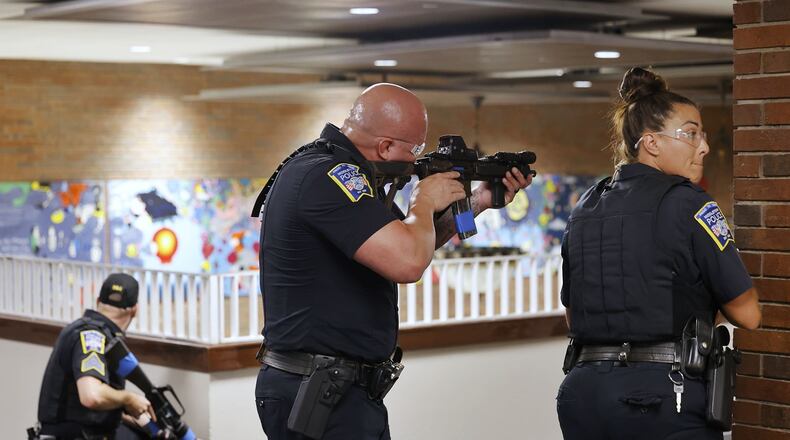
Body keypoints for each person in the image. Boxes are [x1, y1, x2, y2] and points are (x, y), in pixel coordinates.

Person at [252, 83, 532, 440]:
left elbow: (408, 240)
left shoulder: (340, 173)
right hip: (320, 389)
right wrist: (422, 202)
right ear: (385, 146)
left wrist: (477, 201)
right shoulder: (331, 176)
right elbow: (408, 263)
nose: (416, 161)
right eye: (414, 150)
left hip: (331, 388)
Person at [556, 67, 761, 440]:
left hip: (582, 396)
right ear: (652, 143)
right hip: (663, 398)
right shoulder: (689, 202)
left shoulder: (585, 205)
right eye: (691, 133)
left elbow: (574, 313)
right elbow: (747, 314)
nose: (703, 146)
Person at [35, 273, 155, 440]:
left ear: (98, 301)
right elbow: (91, 396)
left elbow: (82, 406)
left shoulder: (94, 333)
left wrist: (130, 410)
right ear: (135, 310)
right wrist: (128, 398)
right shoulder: (92, 335)